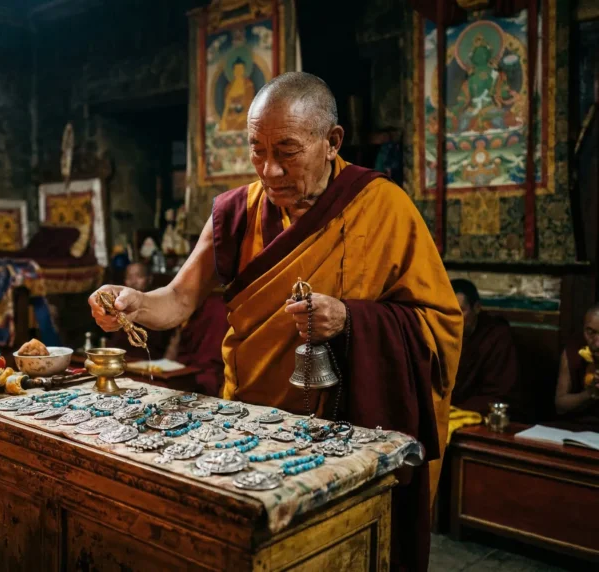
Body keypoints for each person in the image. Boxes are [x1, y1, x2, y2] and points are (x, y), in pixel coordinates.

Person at [89, 72, 462, 572]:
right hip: (250, 426)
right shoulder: (236, 211)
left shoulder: (383, 207)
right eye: (256, 150)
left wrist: (351, 319)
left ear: (331, 143)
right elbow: (178, 299)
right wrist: (135, 301)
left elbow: (439, 325)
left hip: (345, 433)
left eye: (286, 151)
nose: (269, 170)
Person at [449, 279, 522, 418]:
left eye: (460, 311)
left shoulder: (496, 337)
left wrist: (455, 410)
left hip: (479, 413)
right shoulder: (437, 334)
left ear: (477, 307)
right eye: (447, 312)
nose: (452, 319)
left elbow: (499, 394)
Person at [162, 293, 230, 397]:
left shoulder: (217, 308)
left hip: (208, 373)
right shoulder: (189, 308)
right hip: (182, 369)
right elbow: (175, 345)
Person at [554, 304, 599, 430]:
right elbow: (560, 405)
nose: (597, 342)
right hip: (579, 426)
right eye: (591, 332)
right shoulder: (574, 350)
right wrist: (590, 393)